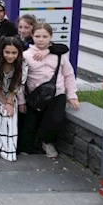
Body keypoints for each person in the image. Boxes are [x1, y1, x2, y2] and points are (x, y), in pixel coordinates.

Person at [22, 23, 79, 158]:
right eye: (37, 36)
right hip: (35, 95)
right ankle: (27, 148)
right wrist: (21, 101)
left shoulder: (59, 55)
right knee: (30, 124)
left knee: (55, 119)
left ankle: (47, 142)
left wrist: (72, 95)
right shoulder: (26, 55)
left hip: (56, 93)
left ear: (51, 37)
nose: (41, 39)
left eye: (45, 36)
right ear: (32, 36)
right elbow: (20, 80)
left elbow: (68, 75)